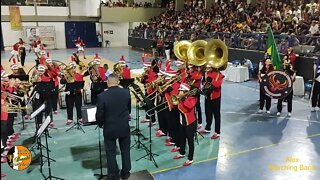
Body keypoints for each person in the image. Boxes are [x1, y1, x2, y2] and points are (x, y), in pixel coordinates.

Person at [96, 74, 131, 180]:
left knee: (110, 152)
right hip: (124, 126)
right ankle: (126, 172)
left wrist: (100, 124)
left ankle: (113, 175)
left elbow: (100, 114)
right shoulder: (126, 92)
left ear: (107, 82)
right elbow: (128, 109)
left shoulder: (102, 96)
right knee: (125, 150)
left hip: (110, 128)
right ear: (118, 82)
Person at [173, 83, 197, 166]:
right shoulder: (180, 98)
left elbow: (189, 107)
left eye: (181, 90)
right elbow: (177, 108)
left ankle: (190, 158)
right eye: (179, 90)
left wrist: (183, 99)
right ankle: (182, 152)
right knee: (182, 138)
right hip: (182, 122)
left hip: (190, 123)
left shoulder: (192, 98)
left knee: (190, 141)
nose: (179, 92)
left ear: (185, 91)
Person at [200, 63, 224, 139]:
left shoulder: (219, 75)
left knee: (216, 115)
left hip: (215, 97)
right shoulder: (207, 73)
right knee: (208, 113)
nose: (207, 68)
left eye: (209, 67)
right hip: (207, 96)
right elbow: (203, 82)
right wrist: (204, 83)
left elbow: (218, 84)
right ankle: (208, 128)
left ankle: (217, 132)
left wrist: (211, 80)